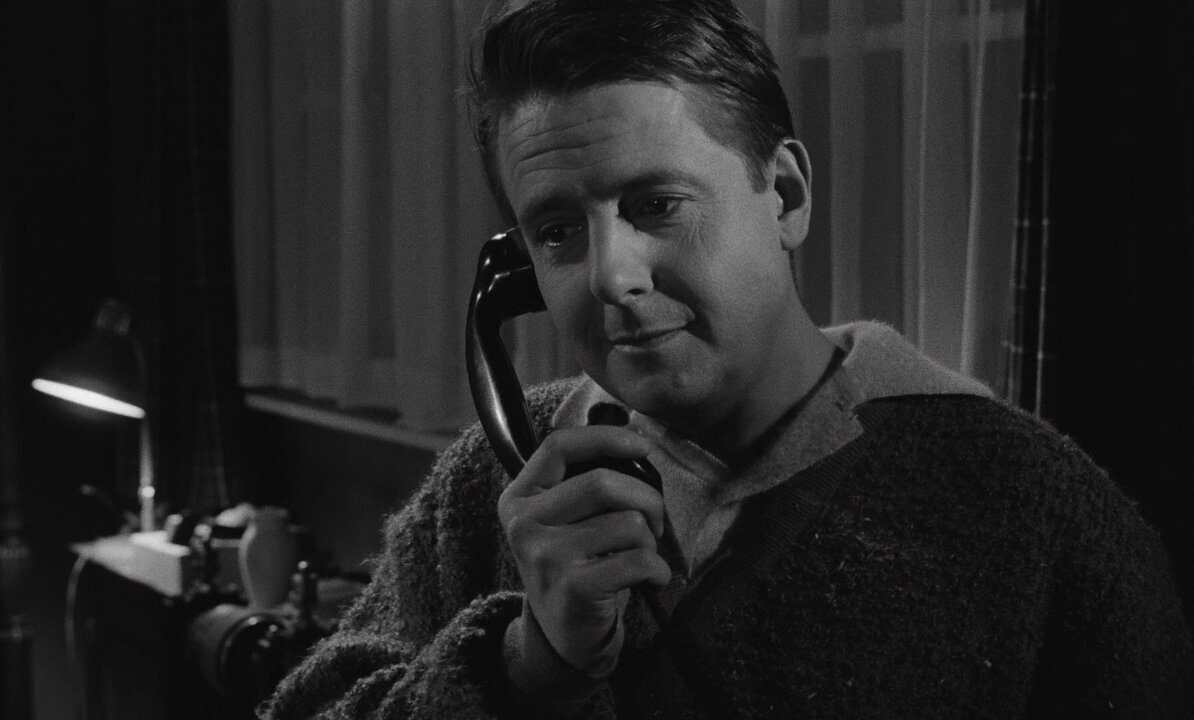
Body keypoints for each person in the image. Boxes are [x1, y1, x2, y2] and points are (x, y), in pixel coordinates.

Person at [260, 1, 1192, 717]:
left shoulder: (1034, 512)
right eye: (557, 231)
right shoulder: (492, 489)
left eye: (657, 205)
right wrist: (523, 669)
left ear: (784, 195)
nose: (611, 275)